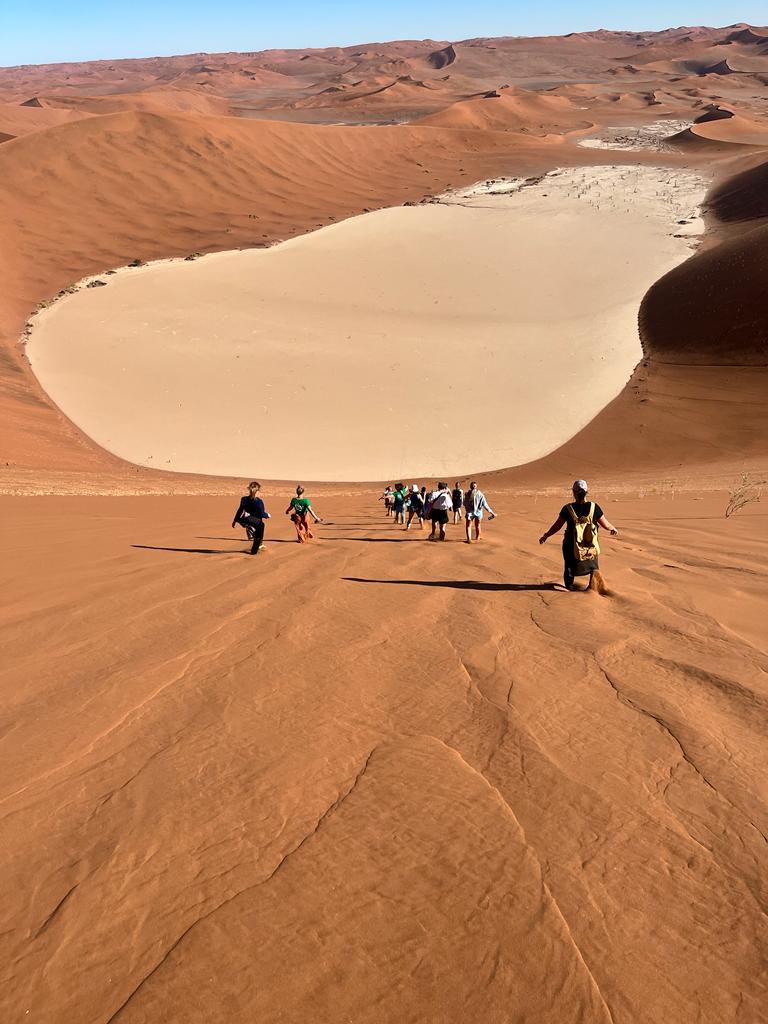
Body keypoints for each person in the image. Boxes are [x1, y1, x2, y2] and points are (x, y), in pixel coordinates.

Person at [539, 479, 619, 590]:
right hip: (590, 544)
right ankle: (593, 587)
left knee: (569, 567)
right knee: (593, 566)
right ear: (587, 492)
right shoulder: (594, 507)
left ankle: (569, 588)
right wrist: (612, 528)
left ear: (573, 492)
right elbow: (605, 524)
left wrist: (546, 535)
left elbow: (557, 526)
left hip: (571, 545)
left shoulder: (567, 509)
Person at [232, 481, 271, 555]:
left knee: (260, 526)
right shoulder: (258, 501)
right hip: (256, 521)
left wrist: (235, 520)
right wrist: (268, 515)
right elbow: (262, 513)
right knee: (258, 534)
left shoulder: (243, 499)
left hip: (246, 519)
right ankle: (254, 552)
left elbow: (240, 510)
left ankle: (251, 530)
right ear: (258, 491)